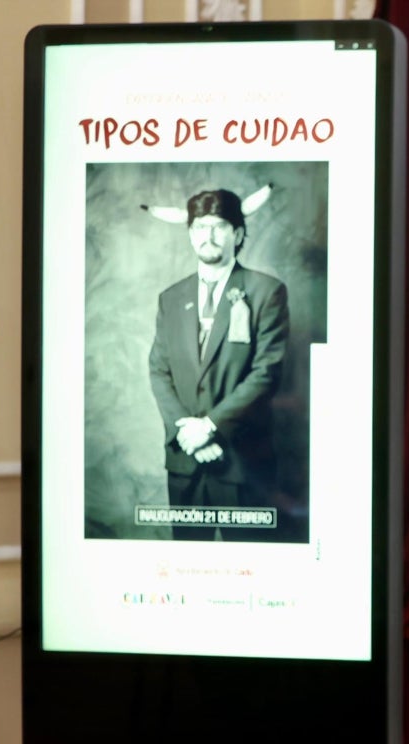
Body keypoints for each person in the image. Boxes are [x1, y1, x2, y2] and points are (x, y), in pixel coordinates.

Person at [148, 188, 289, 541]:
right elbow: (159, 370)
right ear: (190, 234)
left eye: (218, 226)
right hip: (185, 463)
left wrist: (209, 426)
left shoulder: (267, 291)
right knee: (186, 570)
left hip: (242, 463)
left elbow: (265, 374)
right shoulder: (170, 298)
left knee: (248, 570)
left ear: (238, 234)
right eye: (198, 227)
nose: (207, 236)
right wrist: (187, 431)